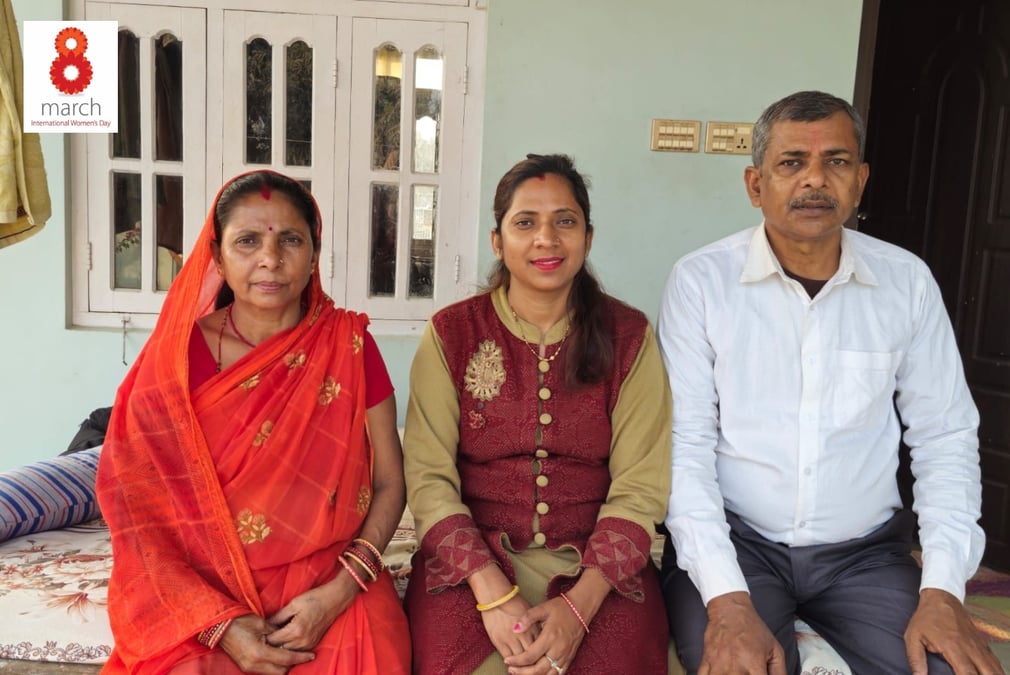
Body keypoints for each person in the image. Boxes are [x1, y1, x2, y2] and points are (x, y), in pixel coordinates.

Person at [658, 90, 1003, 675]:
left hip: (864, 557)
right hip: (741, 547)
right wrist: (728, 599)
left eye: (836, 162)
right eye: (791, 163)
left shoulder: (906, 283)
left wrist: (943, 592)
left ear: (860, 180)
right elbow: (684, 448)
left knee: (950, 668)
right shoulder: (701, 283)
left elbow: (944, 438)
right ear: (754, 184)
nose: (814, 180)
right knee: (739, 667)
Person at [96, 170, 411, 674]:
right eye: (247, 241)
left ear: (313, 255)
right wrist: (218, 624)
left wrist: (339, 591)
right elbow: (137, 509)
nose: (270, 258)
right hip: (207, 591)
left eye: (290, 239)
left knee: (370, 656)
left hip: (329, 579)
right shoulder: (174, 360)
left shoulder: (348, 344)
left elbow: (391, 482)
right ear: (217, 257)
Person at [402, 153, 673, 674]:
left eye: (564, 222)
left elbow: (640, 489)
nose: (546, 239)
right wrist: (491, 595)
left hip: (598, 570)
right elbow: (429, 479)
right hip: (471, 565)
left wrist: (580, 607)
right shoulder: (453, 333)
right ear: (498, 241)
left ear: (587, 239)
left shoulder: (629, 336)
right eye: (525, 223)